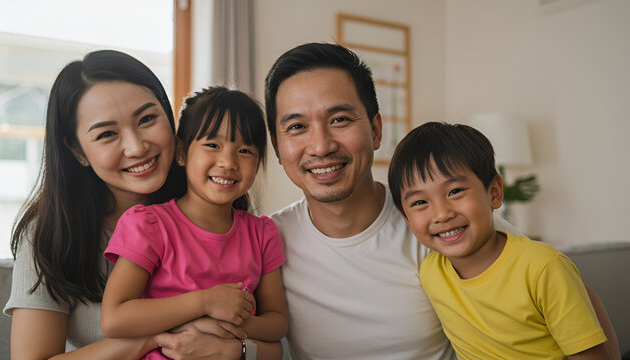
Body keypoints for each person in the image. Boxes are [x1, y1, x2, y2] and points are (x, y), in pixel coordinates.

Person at [263, 42, 619, 360]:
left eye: (339, 119)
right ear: (278, 148)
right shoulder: (265, 241)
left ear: (375, 131)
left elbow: (577, 302)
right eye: (297, 127)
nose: (321, 145)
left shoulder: (441, 225)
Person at [3, 50, 256, 360]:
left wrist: (239, 350)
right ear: (77, 150)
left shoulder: (218, 202)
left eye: (147, 119)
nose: (137, 148)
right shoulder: (49, 232)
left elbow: (264, 334)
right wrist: (155, 335)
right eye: (107, 134)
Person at [388, 122, 609, 359]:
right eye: (420, 202)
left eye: (454, 191)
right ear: (407, 220)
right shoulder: (430, 273)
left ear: (494, 192)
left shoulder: (542, 267)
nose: (442, 214)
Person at [100, 87, 288, 360]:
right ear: (181, 152)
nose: (228, 162)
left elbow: (277, 323)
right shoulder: (149, 226)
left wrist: (231, 322)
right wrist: (206, 303)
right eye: (213, 145)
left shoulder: (262, 233)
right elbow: (114, 319)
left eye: (245, 150)